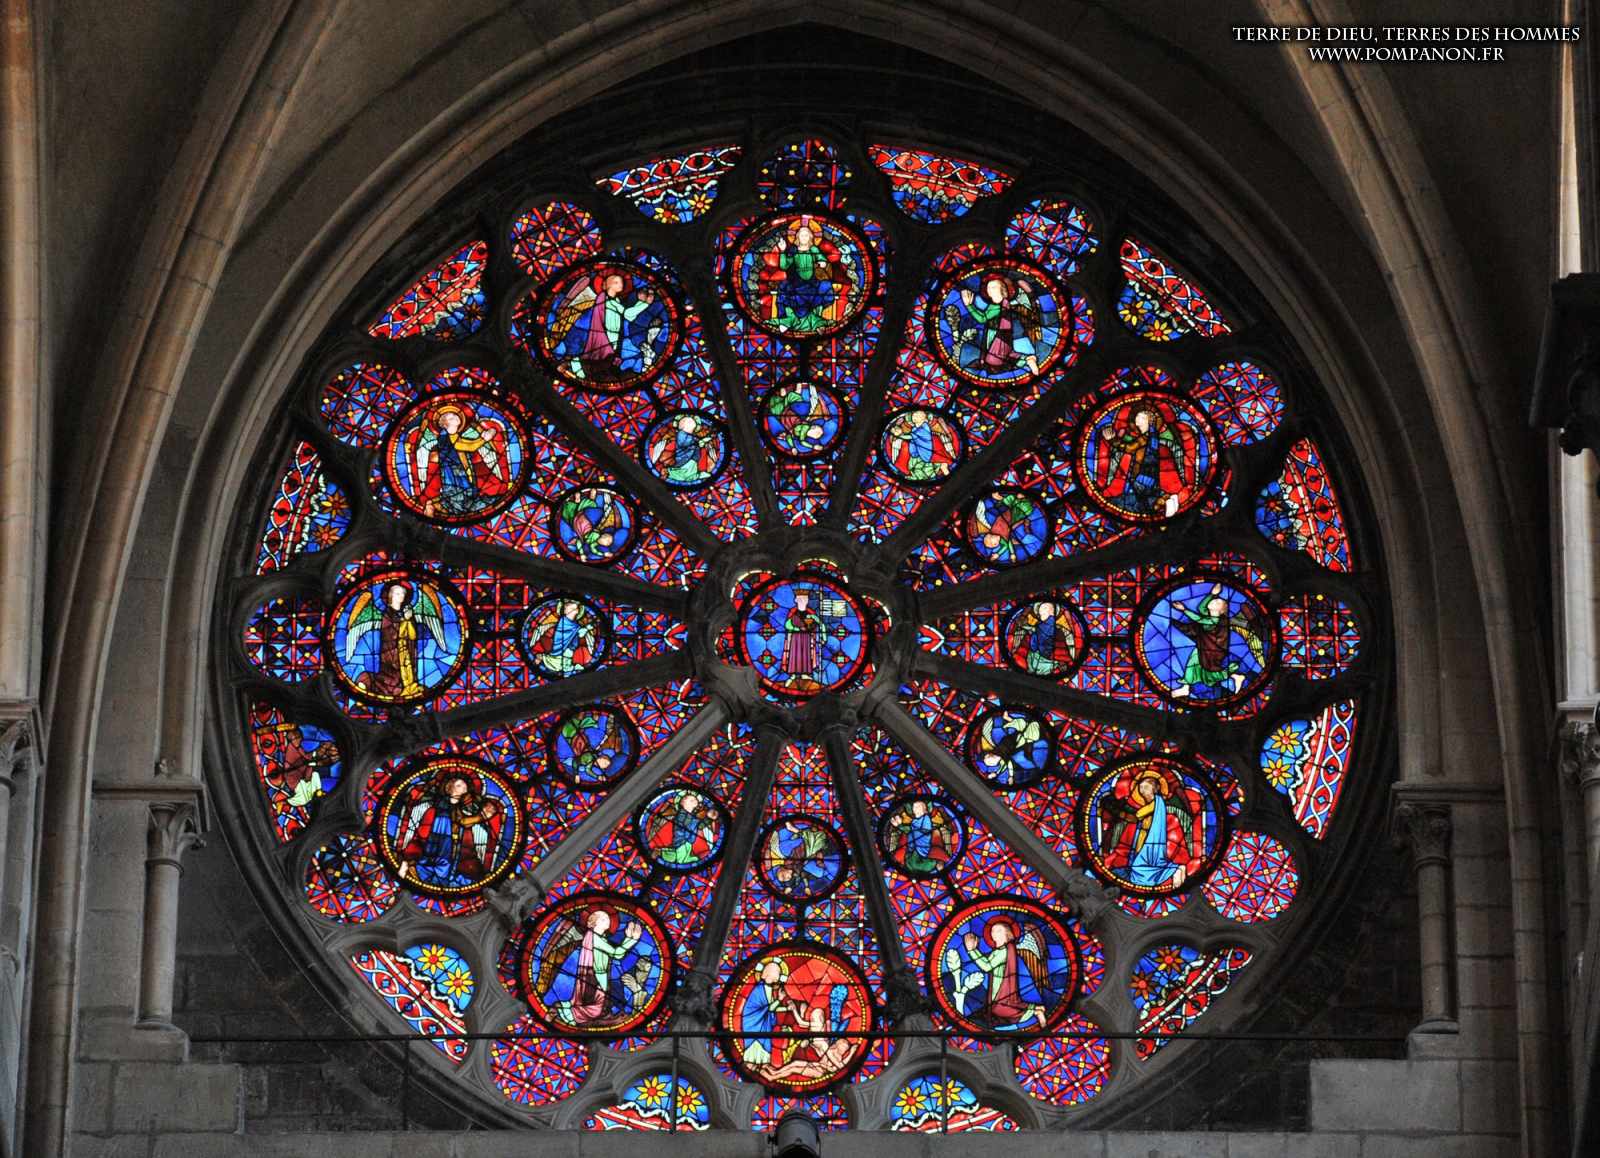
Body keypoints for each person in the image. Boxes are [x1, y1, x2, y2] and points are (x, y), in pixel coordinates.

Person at [534, 905, 648, 1029]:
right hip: (594, 976)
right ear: (594, 922)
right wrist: (632, 940)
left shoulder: (598, 937)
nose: (608, 920)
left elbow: (618, 955)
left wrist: (629, 939)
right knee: (597, 1008)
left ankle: (563, 1009)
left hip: (595, 975)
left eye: (607, 918)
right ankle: (561, 1012)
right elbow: (616, 953)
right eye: (603, 919)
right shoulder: (594, 937)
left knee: (597, 1005)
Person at [1099, 763, 1207, 890]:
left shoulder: (1156, 803)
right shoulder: (1154, 803)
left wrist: (1118, 812)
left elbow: (1136, 816)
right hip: (1144, 839)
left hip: (1154, 842)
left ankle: (1175, 870)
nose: (1142, 791)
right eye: (1140, 788)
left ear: (1154, 789)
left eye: (1145, 788)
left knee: (1140, 867)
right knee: (1136, 864)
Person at [406, 401, 511, 518]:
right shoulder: (445, 436)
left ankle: (436, 505)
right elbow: (467, 446)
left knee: (465, 495)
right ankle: (434, 505)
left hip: (460, 470)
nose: (456, 416)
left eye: (455, 415)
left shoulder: (453, 435)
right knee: (458, 497)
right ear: (444, 424)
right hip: (453, 473)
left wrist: (486, 437)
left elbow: (467, 444)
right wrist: (484, 439)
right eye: (451, 417)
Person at [1092, 402, 1196, 519]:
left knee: (1129, 501)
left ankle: (1163, 504)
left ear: (1148, 420)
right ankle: (1164, 501)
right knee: (1142, 500)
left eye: (1140, 417)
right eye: (1136, 416)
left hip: (1144, 477)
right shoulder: (1152, 435)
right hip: (1148, 476)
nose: (1136, 419)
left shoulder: (1146, 437)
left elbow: (1129, 448)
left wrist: (1112, 440)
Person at [1167, 584, 1268, 697]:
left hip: (1212, 652)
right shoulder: (1209, 615)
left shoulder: (1214, 620)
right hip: (1205, 648)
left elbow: (1199, 619)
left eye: (1218, 602)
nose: (1215, 601)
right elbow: (1201, 608)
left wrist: (1184, 610)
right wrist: (1212, 594)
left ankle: (1235, 676)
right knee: (1194, 665)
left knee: (1208, 672)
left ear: (1221, 611)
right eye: (1215, 600)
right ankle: (1186, 688)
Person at [950, 273, 1043, 377]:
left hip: (999, 336)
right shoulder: (999, 304)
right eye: (989, 287)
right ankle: (1027, 359)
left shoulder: (998, 306)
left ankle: (1027, 360)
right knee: (1002, 357)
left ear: (1002, 289)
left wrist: (969, 305)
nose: (990, 289)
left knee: (994, 361)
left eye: (994, 287)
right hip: (996, 334)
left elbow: (982, 319)